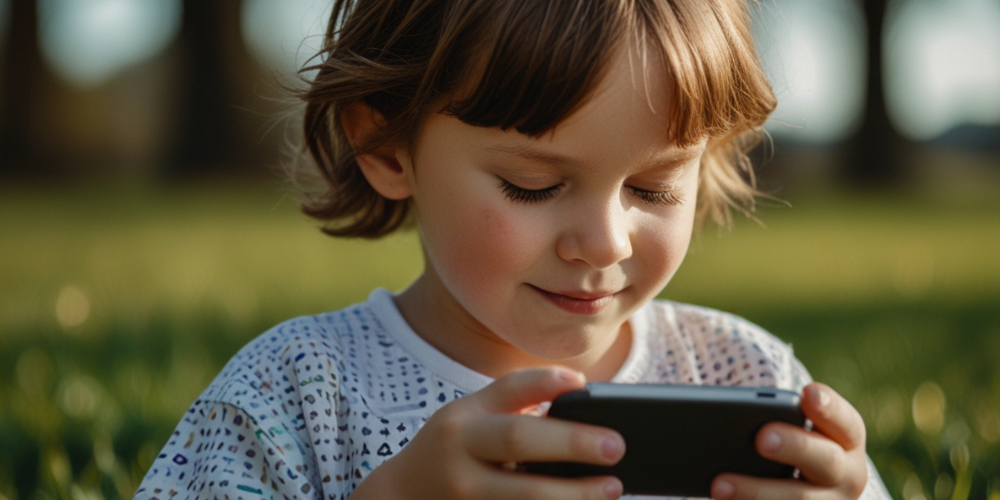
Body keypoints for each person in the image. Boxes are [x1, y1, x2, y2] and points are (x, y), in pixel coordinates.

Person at [134, 0, 893, 499]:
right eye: (532, 185)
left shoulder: (745, 377)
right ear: (385, 142)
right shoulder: (295, 399)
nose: (604, 240)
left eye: (655, 188)